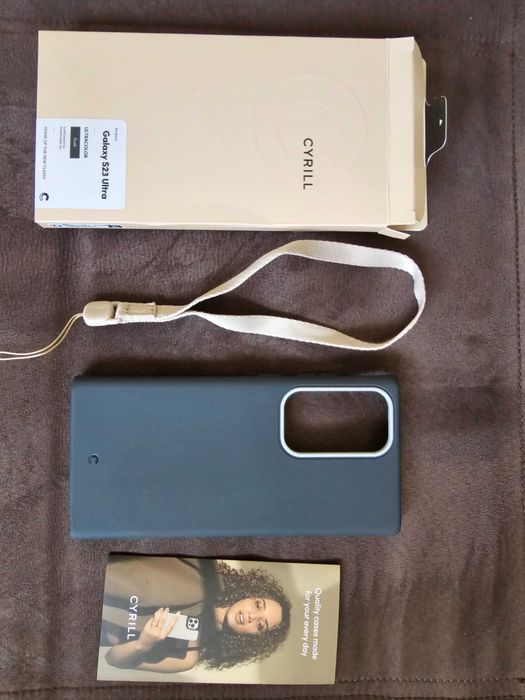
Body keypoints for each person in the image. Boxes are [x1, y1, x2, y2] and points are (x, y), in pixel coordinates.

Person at [101, 557, 292, 673]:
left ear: (252, 638)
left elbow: (112, 659)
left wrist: (142, 645)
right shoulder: (203, 570)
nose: (252, 616)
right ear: (250, 595)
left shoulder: (187, 656)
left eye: (260, 625)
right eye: (258, 605)